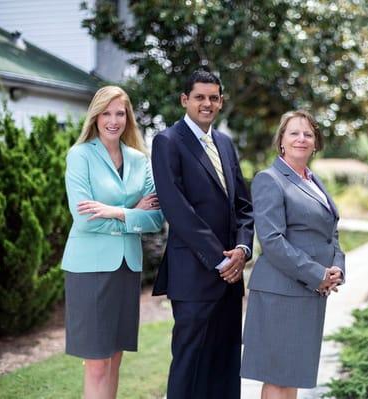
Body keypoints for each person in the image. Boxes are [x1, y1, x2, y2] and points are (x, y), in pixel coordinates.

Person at [151, 69, 254, 399]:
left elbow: (243, 206)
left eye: (213, 98)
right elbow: (177, 209)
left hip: (231, 277)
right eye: (199, 97)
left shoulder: (225, 143)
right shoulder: (167, 142)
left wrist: (242, 249)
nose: (206, 103)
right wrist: (219, 261)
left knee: (225, 366)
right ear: (185, 100)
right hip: (194, 276)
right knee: (189, 364)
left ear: (220, 102)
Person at [62, 85, 164, 399]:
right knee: (96, 363)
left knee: (115, 357)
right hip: (89, 268)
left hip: (126, 267)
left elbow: (156, 219)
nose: (113, 120)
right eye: (106, 112)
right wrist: (133, 212)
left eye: (120, 113)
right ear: (95, 116)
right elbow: (84, 218)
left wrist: (114, 211)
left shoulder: (139, 159)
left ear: (128, 118)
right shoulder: (80, 155)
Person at [241, 110, 345, 399]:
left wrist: (337, 268)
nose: (302, 138)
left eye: (308, 134)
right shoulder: (269, 179)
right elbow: (272, 241)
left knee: (293, 376)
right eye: (294, 133)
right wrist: (318, 274)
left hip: (310, 294)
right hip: (280, 294)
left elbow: (330, 232)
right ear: (282, 141)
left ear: (315, 144)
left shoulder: (314, 181)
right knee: (277, 378)